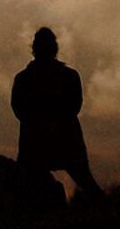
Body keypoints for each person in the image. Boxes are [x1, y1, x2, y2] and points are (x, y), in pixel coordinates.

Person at [10, 27, 104, 202]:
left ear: (34, 48)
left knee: (24, 186)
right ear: (54, 48)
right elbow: (75, 105)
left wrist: (39, 122)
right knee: (85, 180)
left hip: (36, 140)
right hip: (64, 138)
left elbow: (19, 109)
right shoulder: (69, 76)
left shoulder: (23, 79)